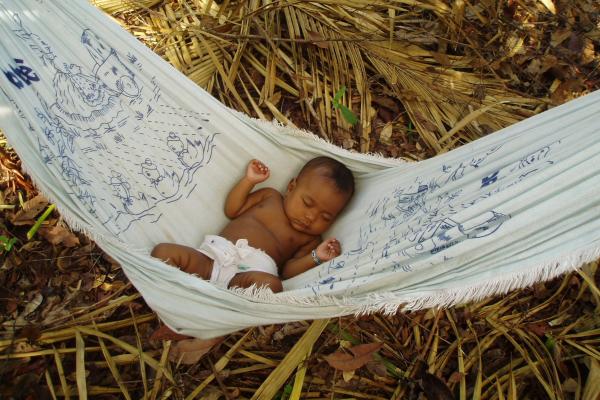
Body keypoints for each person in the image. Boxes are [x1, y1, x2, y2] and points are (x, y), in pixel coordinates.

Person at [151, 156, 354, 293]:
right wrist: (249, 181)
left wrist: (316, 257)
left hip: (243, 280)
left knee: (272, 286)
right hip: (211, 260)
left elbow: (288, 272)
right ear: (291, 187)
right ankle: (173, 293)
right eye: (307, 203)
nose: (311, 217)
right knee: (163, 252)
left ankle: (224, 307)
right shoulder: (269, 197)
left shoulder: (310, 239)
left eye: (325, 217)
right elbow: (233, 210)